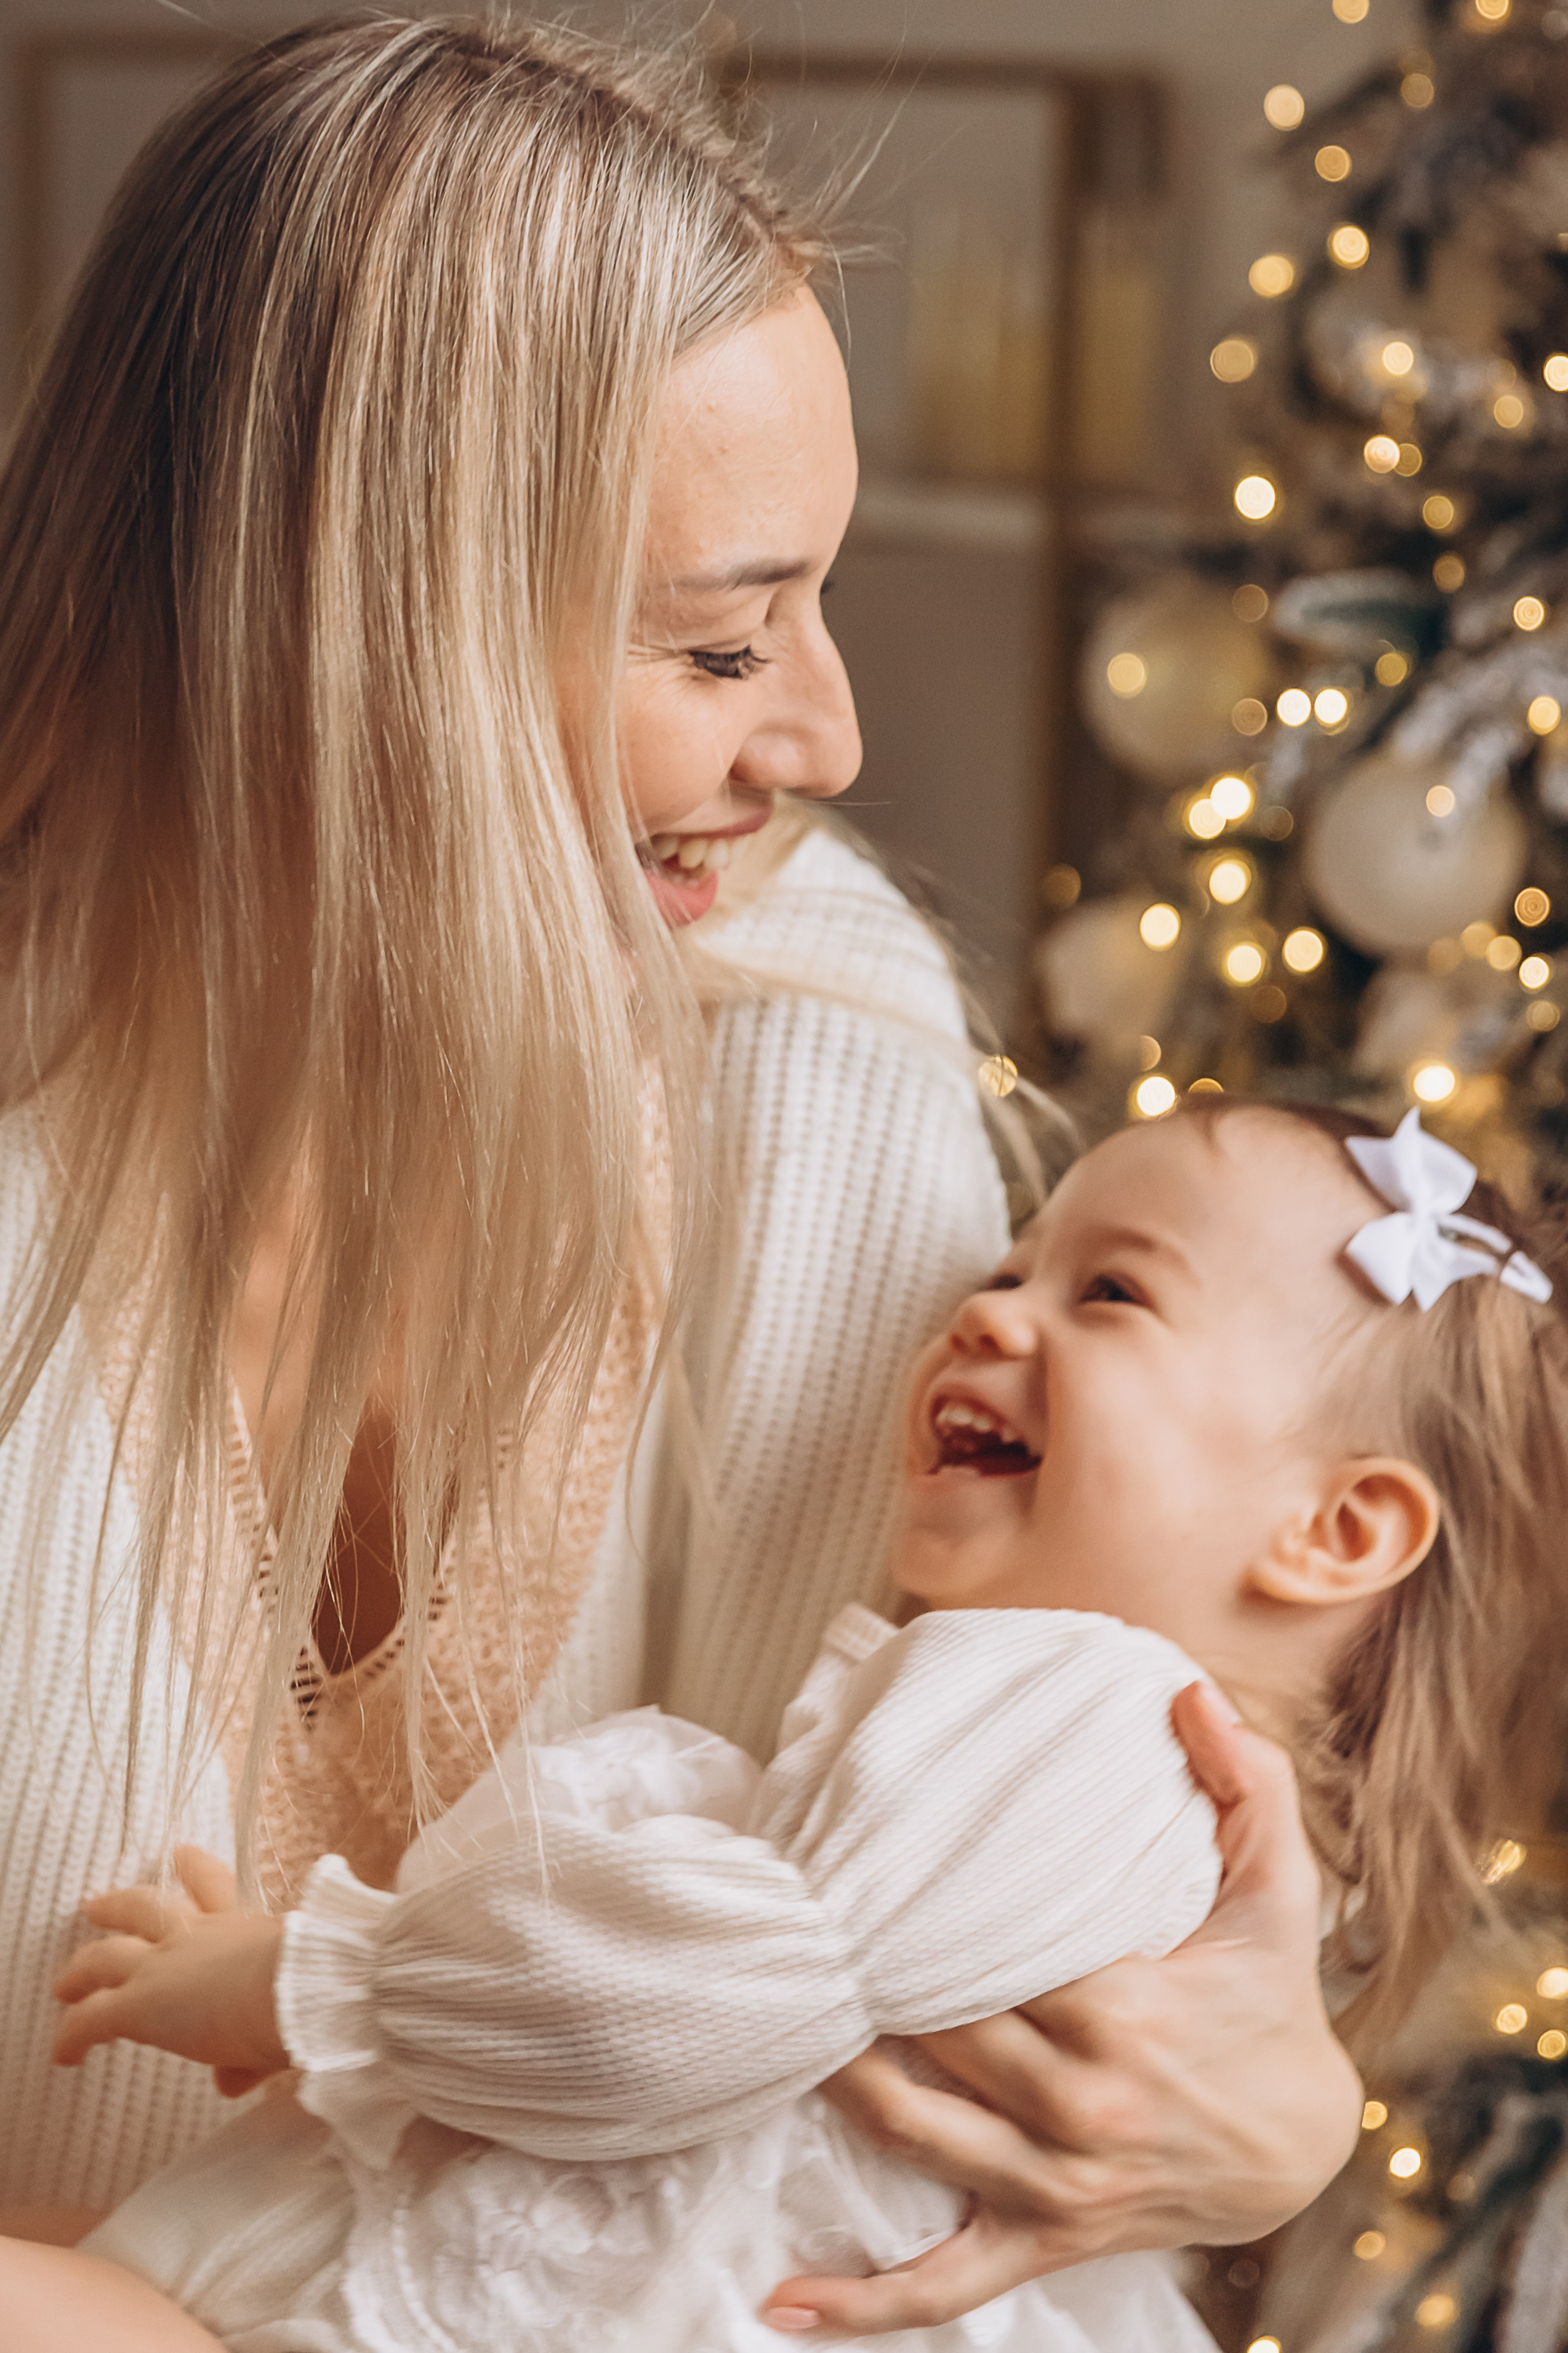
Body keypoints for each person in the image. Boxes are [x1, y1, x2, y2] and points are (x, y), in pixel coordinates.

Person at [0, 14, 1357, 2331]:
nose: (824, 735)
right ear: (365, 639)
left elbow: (889, 1985)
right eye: (723, 638)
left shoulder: (802, 1031)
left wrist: (1267, 2105)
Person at [12, 1100, 1568, 2352]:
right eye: (1007, 1267)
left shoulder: (1093, 1718)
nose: (986, 1312)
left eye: (1108, 1290)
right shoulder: (1088, 1785)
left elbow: (715, 1986)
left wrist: (308, 1983)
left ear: (1337, 1533)